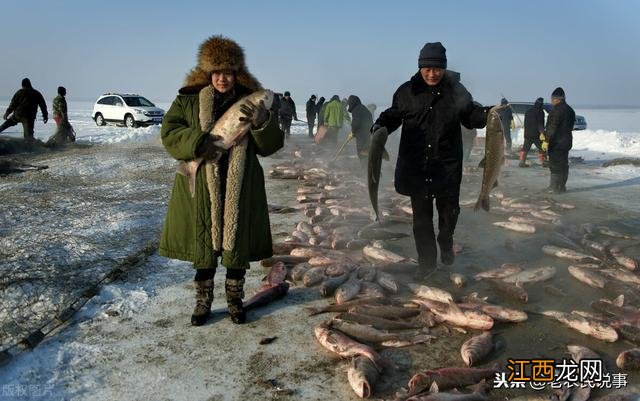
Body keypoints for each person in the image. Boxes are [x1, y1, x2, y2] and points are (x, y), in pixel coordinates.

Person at [159, 35, 284, 326]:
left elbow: (270, 145)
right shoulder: (187, 100)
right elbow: (170, 131)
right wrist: (198, 142)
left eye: (228, 72)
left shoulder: (251, 101)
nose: (222, 78)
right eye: (217, 72)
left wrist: (263, 123)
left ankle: (235, 301)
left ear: (236, 73)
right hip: (203, 182)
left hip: (241, 183)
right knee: (204, 245)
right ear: (208, 73)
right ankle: (203, 302)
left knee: (235, 246)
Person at [371, 42, 492, 279]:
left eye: (437, 68)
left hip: (446, 165)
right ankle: (427, 263)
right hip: (416, 166)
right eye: (427, 68)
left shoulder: (456, 91)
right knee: (422, 221)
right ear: (420, 67)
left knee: (449, 214)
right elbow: (393, 115)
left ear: (444, 68)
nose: (432, 73)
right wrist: (379, 126)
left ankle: (446, 241)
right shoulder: (407, 91)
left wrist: (488, 114)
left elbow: (470, 116)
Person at [542, 87, 575, 193]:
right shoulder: (570, 110)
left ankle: (554, 187)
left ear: (556, 99)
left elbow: (552, 126)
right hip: (566, 141)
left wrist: (546, 139)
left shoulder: (556, 110)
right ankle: (562, 187)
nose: (551, 101)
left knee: (555, 164)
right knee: (563, 164)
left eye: (552, 99)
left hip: (556, 142)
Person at [519, 97, 546, 167]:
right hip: (536, 134)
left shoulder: (528, 111)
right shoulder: (540, 111)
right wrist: (542, 132)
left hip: (527, 134)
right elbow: (541, 123)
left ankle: (522, 162)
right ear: (541, 104)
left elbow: (525, 122)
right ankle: (544, 162)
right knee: (542, 148)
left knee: (525, 148)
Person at [346, 95, 372, 166]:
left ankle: (365, 168)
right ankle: (369, 166)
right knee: (366, 149)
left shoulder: (357, 110)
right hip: (367, 133)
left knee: (361, 150)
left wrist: (353, 131)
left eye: (349, 103)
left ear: (352, 102)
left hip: (362, 134)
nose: (349, 105)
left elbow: (356, 123)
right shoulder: (363, 108)